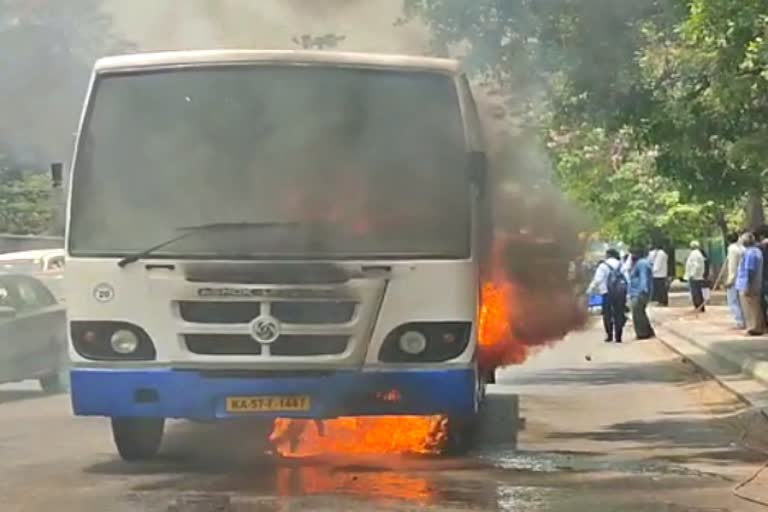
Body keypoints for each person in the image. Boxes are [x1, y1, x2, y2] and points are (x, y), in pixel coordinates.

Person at [587, 248, 627, 343]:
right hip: (619, 293)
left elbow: (597, 279)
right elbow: (627, 279)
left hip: (606, 293)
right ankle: (618, 336)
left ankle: (609, 335)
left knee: (607, 314)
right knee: (619, 313)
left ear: (608, 255)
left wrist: (589, 290)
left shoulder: (603, 266)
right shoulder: (622, 265)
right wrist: (627, 292)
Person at [736, 232, 765, 336]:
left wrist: (747, 285)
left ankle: (753, 328)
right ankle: (757, 327)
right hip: (755, 283)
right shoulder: (757, 251)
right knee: (755, 306)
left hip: (748, 284)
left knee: (750, 307)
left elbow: (750, 270)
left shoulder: (750, 253)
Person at [629, 247, 655, 340]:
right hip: (637, 292)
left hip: (639, 293)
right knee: (640, 312)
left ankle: (643, 333)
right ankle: (648, 331)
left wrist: (642, 290)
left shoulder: (641, 263)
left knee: (637, 313)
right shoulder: (639, 263)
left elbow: (643, 278)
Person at [723, 232, 745, 329]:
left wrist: (730, 280)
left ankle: (739, 321)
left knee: (733, 300)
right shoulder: (742, 248)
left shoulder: (732, 249)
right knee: (740, 301)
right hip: (742, 278)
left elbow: (732, 266)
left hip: (735, 278)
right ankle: (744, 320)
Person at [684, 241, 707, 312]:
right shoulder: (698, 253)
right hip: (698, 275)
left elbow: (695, 265)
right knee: (698, 292)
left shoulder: (694, 254)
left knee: (695, 292)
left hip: (694, 276)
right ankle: (700, 306)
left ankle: (698, 306)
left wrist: (692, 275)